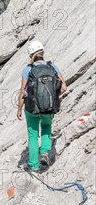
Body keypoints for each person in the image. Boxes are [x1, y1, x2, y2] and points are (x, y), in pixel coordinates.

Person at [17, 40, 67, 171]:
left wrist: (19, 108)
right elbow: (64, 88)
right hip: (49, 107)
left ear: (31, 55)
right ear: (42, 53)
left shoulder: (28, 69)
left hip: (32, 108)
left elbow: (23, 91)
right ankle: (45, 152)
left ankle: (33, 165)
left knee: (33, 135)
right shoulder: (52, 67)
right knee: (46, 126)